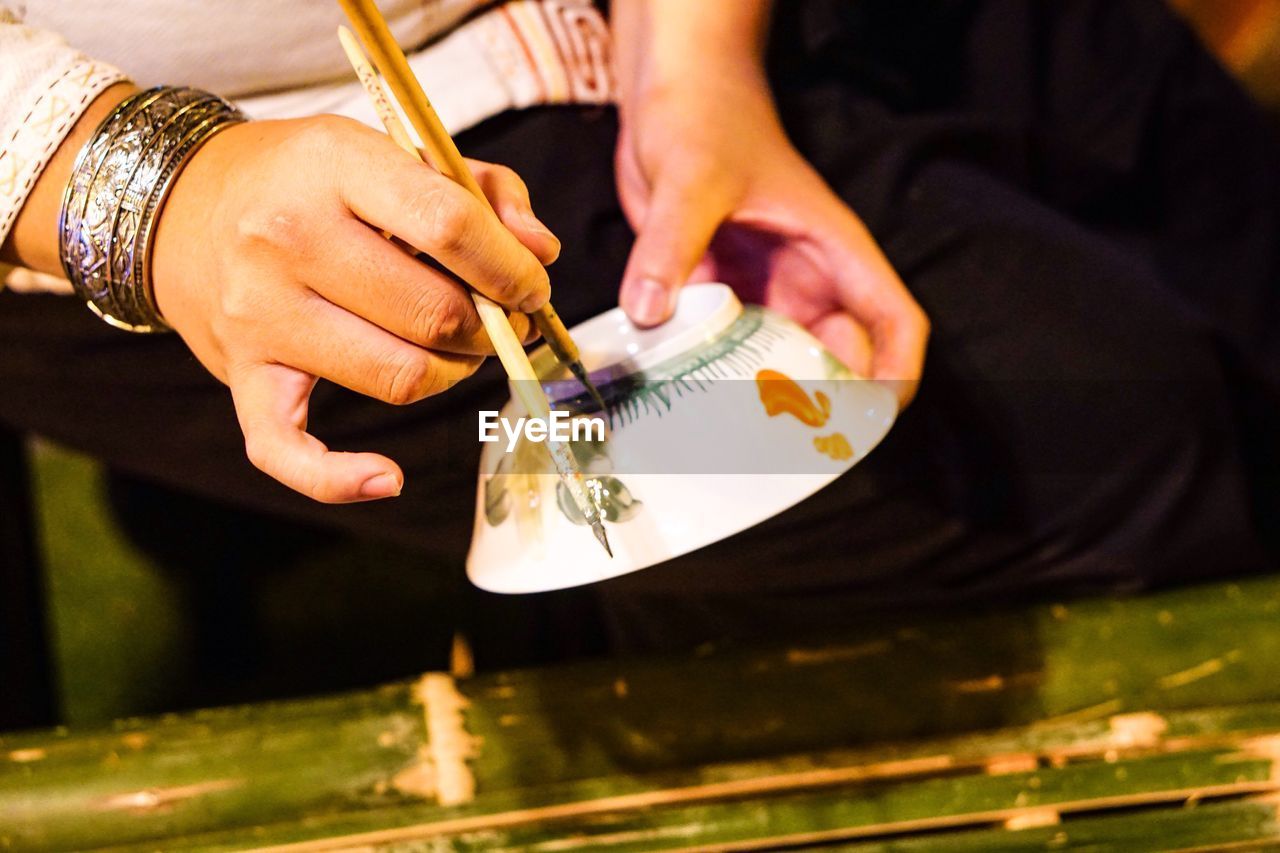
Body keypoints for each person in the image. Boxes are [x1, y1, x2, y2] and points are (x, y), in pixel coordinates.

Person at [1, 0, 1277, 659]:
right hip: (227, 172)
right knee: (1106, 434)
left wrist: (696, 62)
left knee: (1198, 196)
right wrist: (154, 194)